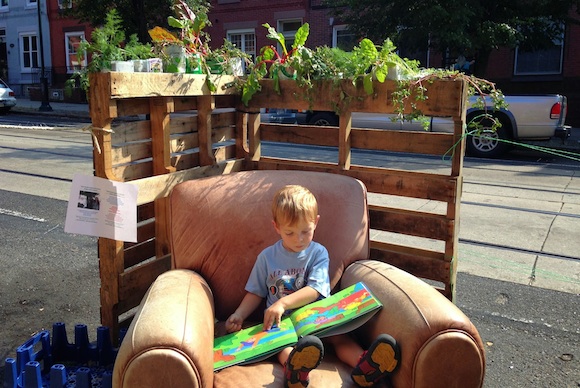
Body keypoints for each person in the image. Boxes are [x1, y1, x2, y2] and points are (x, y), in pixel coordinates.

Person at [226, 185, 401, 387]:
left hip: (317, 319)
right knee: (282, 346)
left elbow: (315, 290)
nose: (299, 240)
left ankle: (365, 367)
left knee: (341, 339)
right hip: (282, 324)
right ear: (276, 227)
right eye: (289, 232)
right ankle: (295, 372)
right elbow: (255, 292)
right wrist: (239, 315)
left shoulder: (318, 253)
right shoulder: (266, 258)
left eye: (305, 231)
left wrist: (282, 302)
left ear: (315, 223)